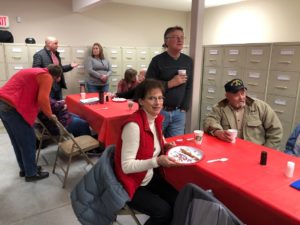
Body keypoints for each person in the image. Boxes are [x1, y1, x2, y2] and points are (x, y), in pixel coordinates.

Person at [114, 79, 179, 225]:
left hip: (147, 176)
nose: (157, 102)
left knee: (178, 200)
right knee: (164, 211)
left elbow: (154, 143)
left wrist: (166, 145)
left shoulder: (154, 120)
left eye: (160, 97)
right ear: (141, 101)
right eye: (152, 98)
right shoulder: (133, 125)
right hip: (130, 183)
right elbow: (126, 166)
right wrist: (157, 161)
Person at [0, 64, 62, 182]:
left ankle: (25, 169)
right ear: (56, 77)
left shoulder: (36, 71)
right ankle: (31, 174)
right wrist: (50, 115)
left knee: (17, 141)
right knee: (28, 140)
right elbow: (43, 98)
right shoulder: (47, 76)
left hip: (3, 104)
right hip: (12, 107)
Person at [203, 78, 283, 150]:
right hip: (229, 151)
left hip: (255, 153)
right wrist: (218, 132)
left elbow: (276, 131)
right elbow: (209, 121)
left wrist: (265, 152)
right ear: (227, 96)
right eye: (236, 95)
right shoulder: (220, 108)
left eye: (242, 93)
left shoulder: (260, 106)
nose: (241, 97)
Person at [146, 26, 193, 138]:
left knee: (175, 145)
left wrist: (184, 107)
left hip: (179, 113)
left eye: (182, 37)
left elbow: (189, 85)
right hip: (159, 111)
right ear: (166, 41)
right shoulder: (157, 61)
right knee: (155, 144)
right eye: (176, 37)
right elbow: (148, 85)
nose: (180, 40)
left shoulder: (187, 61)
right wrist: (169, 83)